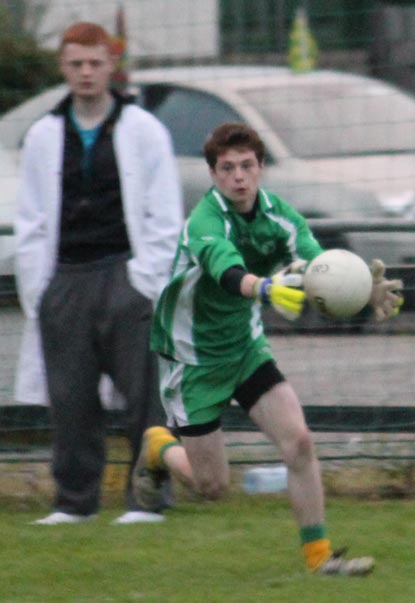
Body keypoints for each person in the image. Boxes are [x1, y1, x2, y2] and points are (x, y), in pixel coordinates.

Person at [132, 122, 403, 574]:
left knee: (298, 442)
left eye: (246, 166)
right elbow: (225, 269)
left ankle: (320, 559)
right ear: (215, 175)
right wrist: (263, 289)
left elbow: (319, 267)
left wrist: (362, 292)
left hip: (244, 347)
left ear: (260, 169)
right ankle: (158, 447)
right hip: (193, 358)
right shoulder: (205, 219)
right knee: (212, 487)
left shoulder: (280, 216)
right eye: (227, 168)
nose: (238, 176)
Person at [14, 22, 183, 525]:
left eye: (95, 63)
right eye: (75, 64)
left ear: (112, 65)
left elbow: (164, 216)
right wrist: (41, 292)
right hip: (65, 277)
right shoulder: (44, 135)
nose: (86, 73)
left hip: (126, 276)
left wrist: (145, 279)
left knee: (143, 397)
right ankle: (73, 502)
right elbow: (31, 221)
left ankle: (148, 500)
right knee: (70, 400)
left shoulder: (145, 131)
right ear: (63, 68)